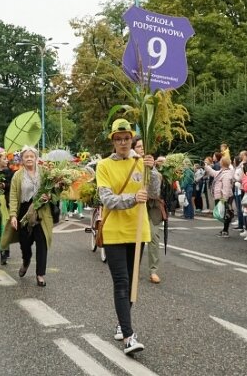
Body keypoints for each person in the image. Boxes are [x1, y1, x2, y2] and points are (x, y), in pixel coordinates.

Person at [96, 118, 159, 355]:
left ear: (132, 139)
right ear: (112, 141)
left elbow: (153, 192)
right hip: (113, 231)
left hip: (138, 230)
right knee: (122, 283)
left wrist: (151, 170)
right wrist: (133, 199)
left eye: (126, 138)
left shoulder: (141, 162)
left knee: (132, 283)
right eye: (118, 139)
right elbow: (107, 198)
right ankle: (129, 337)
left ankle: (123, 324)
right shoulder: (103, 165)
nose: (123, 142)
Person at [7, 146, 54, 287]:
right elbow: (14, 196)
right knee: (25, 244)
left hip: (41, 211)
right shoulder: (18, 175)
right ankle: (26, 261)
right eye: (26, 156)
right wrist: (13, 215)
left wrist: (49, 196)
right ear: (22, 159)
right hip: (24, 212)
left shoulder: (45, 173)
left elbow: (54, 190)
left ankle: (40, 274)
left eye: (31, 156)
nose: (29, 158)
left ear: (36, 158)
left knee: (42, 243)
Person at [134, 137, 164, 284]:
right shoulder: (130, 165)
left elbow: (155, 192)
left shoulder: (151, 165)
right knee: (136, 238)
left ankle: (153, 270)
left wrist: (151, 169)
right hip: (133, 205)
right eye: (139, 147)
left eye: (143, 147)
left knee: (153, 236)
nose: (142, 149)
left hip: (151, 206)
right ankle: (134, 267)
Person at [204, 156, 234, 237]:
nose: (219, 162)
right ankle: (224, 229)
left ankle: (225, 231)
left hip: (223, 197)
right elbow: (214, 173)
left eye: (221, 161)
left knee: (225, 213)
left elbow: (226, 187)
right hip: (221, 196)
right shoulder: (222, 171)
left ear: (223, 163)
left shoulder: (226, 174)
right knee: (223, 213)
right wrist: (206, 166)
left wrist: (224, 198)